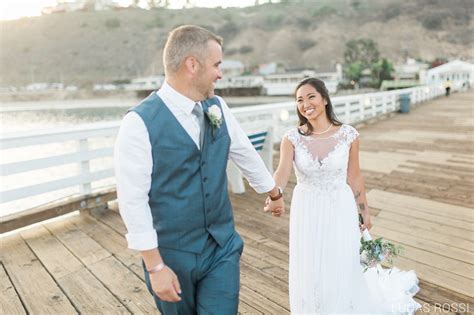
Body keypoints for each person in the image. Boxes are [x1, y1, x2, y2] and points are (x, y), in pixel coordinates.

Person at [114, 25, 284, 315]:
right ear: (192, 65)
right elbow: (132, 200)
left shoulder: (217, 107)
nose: (221, 73)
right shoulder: (138, 123)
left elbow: (244, 152)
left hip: (222, 246)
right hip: (172, 256)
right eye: (216, 65)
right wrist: (155, 266)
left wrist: (274, 192)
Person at [267, 77, 421, 314]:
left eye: (311, 97)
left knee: (340, 259)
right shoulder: (292, 138)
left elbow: (355, 176)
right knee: (310, 263)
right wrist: (273, 194)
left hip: (340, 205)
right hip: (306, 208)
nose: (305, 104)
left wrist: (364, 211)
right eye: (299, 100)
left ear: (325, 100)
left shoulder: (348, 135)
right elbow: (282, 172)